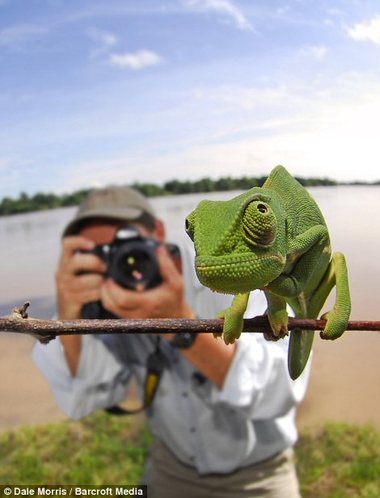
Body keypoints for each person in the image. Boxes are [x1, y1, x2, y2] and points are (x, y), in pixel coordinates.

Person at [33, 186, 310, 498]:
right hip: (171, 468)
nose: (124, 263)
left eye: (127, 243)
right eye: (100, 253)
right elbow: (84, 398)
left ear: (158, 231)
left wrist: (179, 321)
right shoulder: (105, 298)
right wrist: (70, 320)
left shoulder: (228, 258)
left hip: (262, 474)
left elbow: (282, 392)